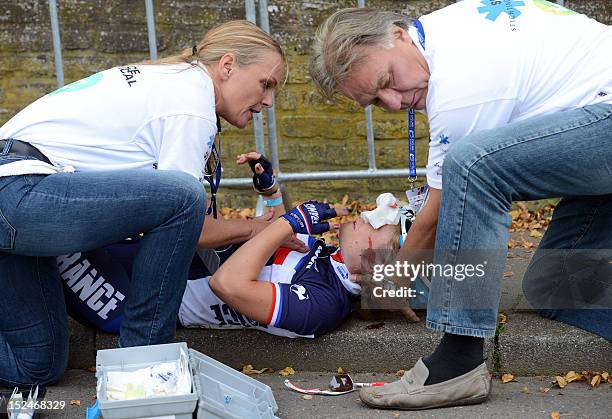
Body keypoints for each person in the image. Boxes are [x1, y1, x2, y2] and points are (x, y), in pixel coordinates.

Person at [310, 0, 611, 410]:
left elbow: (444, 205)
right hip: (597, 123)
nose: (394, 103)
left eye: (388, 80)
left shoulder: (461, 81)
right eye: (376, 101)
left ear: (398, 34)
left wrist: (393, 283)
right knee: (556, 286)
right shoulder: (446, 32)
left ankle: (459, 361)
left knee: (472, 167)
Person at [0, 20, 292, 387]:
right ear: (228, 65)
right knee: (183, 197)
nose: (268, 101)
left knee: (37, 365)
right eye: (266, 84)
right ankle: (143, 367)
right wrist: (262, 228)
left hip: (18, 201)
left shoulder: (175, 81)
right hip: (17, 192)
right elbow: (193, 223)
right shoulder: (191, 104)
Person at [60, 153, 423, 339]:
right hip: (155, 256)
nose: (371, 213)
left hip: (133, 297)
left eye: (382, 225)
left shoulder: (324, 304)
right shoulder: (330, 259)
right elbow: (270, 246)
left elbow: (229, 283)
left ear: (377, 264)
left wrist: (287, 223)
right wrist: (271, 194)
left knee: (48, 246)